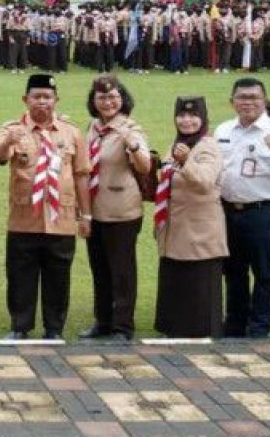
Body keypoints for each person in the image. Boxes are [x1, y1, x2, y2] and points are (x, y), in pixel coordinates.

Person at [0, 73, 91, 340]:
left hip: (62, 217)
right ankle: (20, 327)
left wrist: (87, 215)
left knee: (58, 276)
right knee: (20, 275)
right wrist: (7, 141)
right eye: (36, 97)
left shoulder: (71, 133)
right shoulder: (13, 129)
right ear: (25, 100)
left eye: (47, 97)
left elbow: (82, 173)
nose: (42, 102)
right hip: (25, 216)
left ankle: (54, 329)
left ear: (56, 100)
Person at [80, 75, 151, 342]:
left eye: (113, 97)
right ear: (93, 101)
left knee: (122, 271)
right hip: (95, 208)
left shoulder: (131, 128)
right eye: (102, 97)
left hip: (122, 210)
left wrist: (131, 143)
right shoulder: (92, 127)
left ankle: (122, 326)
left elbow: (144, 166)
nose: (108, 102)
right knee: (99, 269)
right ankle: (103, 321)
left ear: (122, 99)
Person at [154, 96, 227, 337]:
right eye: (181, 115)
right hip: (175, 228)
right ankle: (175, 328)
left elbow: (205, 182)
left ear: (204, 119)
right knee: (176, 279)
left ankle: (199, 331)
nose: (186, 120)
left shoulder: (208, 146)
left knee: (199, 282)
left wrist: (186, 161)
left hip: (199, 230)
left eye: (193, 116)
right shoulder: (177, 143)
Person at [216, 76, 270, 338]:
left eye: (254, 97)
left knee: (263, 271)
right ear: (232, 102)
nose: (248, 102)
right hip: (227, 210)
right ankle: (235, 323)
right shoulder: (223, 131)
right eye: (242, 98)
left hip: (262, 210)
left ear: (264, 101)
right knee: (232, 270)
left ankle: (260, 325)